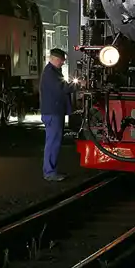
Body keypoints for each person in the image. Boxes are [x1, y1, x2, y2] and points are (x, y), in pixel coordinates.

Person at [40, 48, 80, 181]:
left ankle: (50, 170)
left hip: (54, 112)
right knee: (53, 143)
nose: (63, 63)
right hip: (53, 113)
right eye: (62, 61)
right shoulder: (51, 73)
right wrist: (79, 85)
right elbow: (62, 88)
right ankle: (50, 172)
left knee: (53, 142)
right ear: (55, 59)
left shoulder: (52, 71)